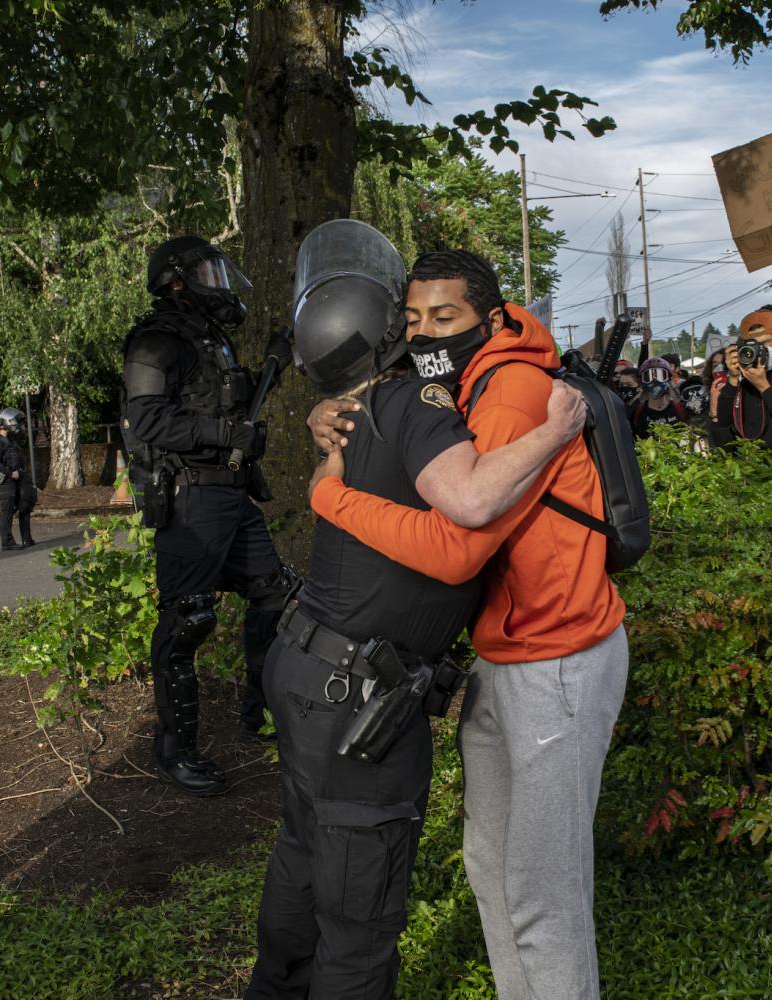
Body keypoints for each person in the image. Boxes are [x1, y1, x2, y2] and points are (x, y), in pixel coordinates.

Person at [248, 221, 587, 999]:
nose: (426, 332)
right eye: (413, 318)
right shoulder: (421, 404)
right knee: (359, 922)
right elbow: (467, 507)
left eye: (440, 318)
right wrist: (556, 429)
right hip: (358, 698)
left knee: (302, 855)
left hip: (303, 665)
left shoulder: (350, 408)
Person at [120, 236, 297, 795]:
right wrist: (223, 434)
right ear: (176, 281)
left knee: (275, 595)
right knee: (187, 621)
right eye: (206, 273)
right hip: (190, 500)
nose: (218, 284)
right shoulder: (156, 339)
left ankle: (259, 715)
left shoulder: (211, 339)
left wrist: (273, 365)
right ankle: (176, 751)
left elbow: (228, 409)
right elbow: (146, 420)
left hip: (232, 495)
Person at [708, 307, 772, 461]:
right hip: (754, 473)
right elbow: (724, 432)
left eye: (767, 343)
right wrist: (733, 379)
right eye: (755, 345)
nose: (761, 350)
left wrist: (764, 387)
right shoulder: (745, 379)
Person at [0, 407, 35, 551]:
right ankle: (7, 542)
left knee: (25, 506)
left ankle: (27, 539)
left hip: (17, 479)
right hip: (5, 482)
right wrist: (11, 473)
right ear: (1, 422)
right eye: (12, 420)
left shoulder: (9, 441)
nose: (14, 423)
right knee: (7, 511)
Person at [630, 357, 687, 439]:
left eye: (660, 375)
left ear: (669, 378)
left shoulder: (680, 409)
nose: (654, 380)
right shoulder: (637, 413)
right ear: (642, 381)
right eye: (648, 376)